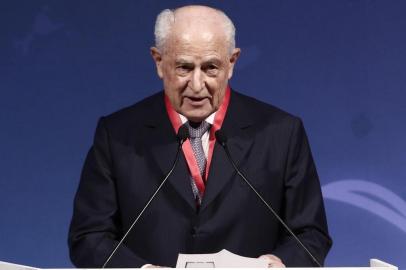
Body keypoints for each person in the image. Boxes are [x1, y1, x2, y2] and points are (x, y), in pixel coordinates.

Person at [68, 5, 332, 268]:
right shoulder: (117, 135)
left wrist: (280, 262)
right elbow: (89, 237)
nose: (196, 85)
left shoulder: (281, 133)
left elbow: (311, 234)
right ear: (158, 61)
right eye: (184, 67)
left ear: (232, 63)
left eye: (210, 68)